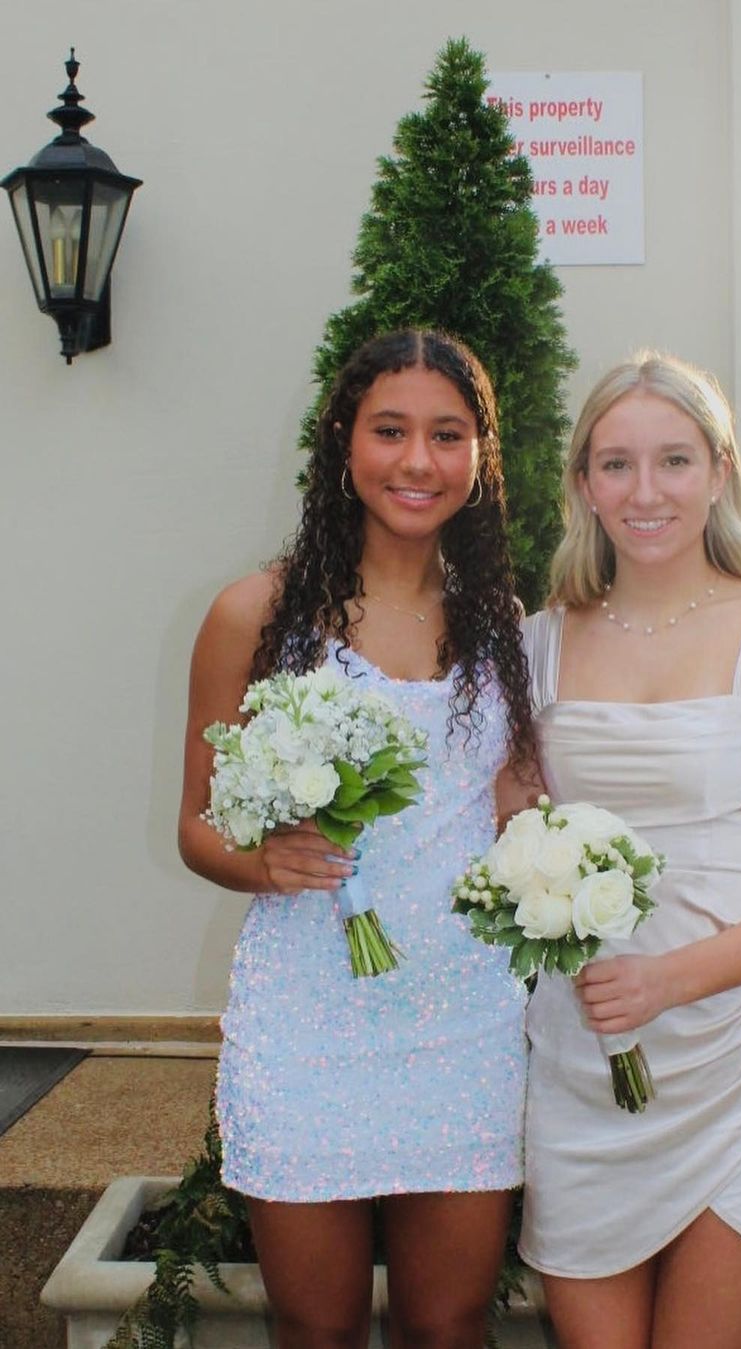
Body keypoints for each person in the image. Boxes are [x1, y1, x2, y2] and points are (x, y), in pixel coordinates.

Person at [178, 329, 536, 1349]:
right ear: (343, 441)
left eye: (448, 435)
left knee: (449, 1323)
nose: (418, 460)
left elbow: (510, 804)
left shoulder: (500, 623)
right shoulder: (256, 614)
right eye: (390, 430)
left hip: (463, 1019)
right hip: (307, 1017)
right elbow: (196, 825)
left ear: (479, 457)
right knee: (315, 1325)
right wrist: (262, 860)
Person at [518, 351, 741, 1349]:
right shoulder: (534, 646)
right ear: (584, 483)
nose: (646, 492)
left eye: (674, 460)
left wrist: (668, 980)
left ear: (720, 471)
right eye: (617, 464)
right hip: (585, 1056)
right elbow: (507, 837)